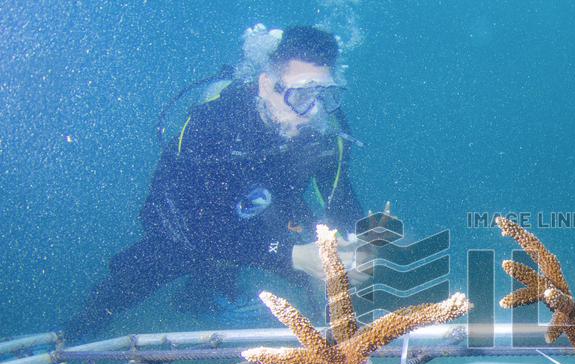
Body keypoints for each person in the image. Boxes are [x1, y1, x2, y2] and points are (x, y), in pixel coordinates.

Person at [65, 26, 364, 341]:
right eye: (301, 95)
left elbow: (339, 198)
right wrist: (292, 255)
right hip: (185, 217)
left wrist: (360, 242)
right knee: (161, 262)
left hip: (266, 210)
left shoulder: (325, 126)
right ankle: (77, 331)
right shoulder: (213, 124)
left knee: (326, 262)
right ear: (266, 85)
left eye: (325, 95)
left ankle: (337, 347)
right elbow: (198, 225)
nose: (314, 111)